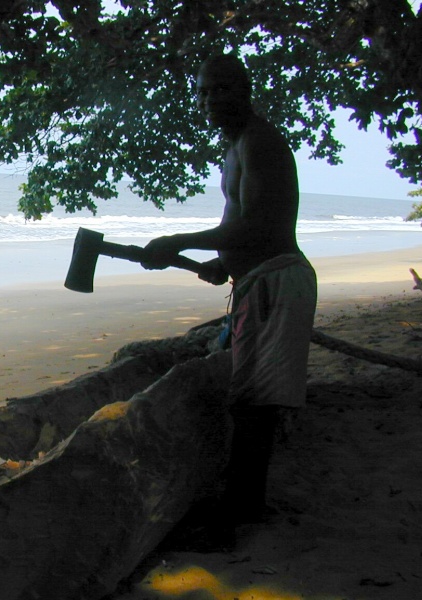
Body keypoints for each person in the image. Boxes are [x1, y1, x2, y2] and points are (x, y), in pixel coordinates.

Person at [141, 53, 317, 547]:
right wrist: (222, 262)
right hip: (256, 278)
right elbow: (242, 224)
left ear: (244, 89)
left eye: (220, 89)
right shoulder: (237, 145)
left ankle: (239, 513)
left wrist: (177, 240)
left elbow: (262, 224)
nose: (209, 100)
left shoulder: (260, 141)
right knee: (248, 400)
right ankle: (244, 503)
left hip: (277, 280)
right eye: (201, 92)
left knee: (255, 405)